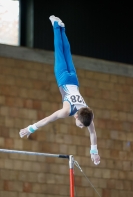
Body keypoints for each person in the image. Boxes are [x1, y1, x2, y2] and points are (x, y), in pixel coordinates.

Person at [19, 15, 100, 165]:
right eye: (82, 125)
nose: (82, 127)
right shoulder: (66, 111)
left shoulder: (88, 114)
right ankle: (56, 24)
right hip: (63, 77)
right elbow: (47, 119)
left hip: (74, 79)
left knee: (67, 52)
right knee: (59, 51)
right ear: (76, 117)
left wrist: (94, 152)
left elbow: (93, 133)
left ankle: (62, 28)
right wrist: (30, 128)